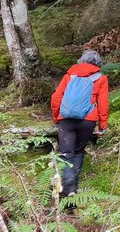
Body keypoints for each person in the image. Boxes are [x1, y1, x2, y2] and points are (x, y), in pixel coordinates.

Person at [50, 49, 109, 197]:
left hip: (66, 120)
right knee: (78, 152)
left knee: (66, 153)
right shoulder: (101, 78)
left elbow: (56, 97)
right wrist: (102, 126)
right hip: (87, 121)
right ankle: (72, 190)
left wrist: (56, 117)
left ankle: (67, 190)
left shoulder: (69, 75)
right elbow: (103, 103)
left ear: (81, 60)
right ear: (98, 62)